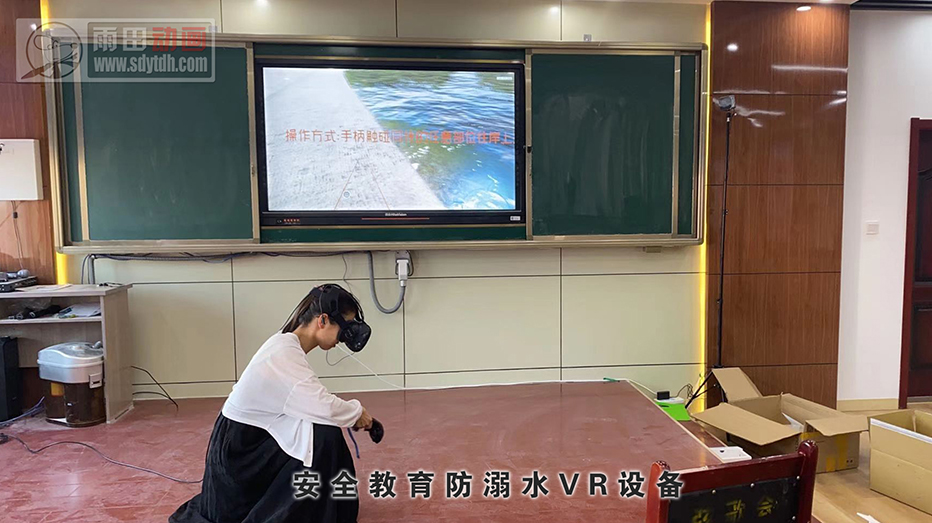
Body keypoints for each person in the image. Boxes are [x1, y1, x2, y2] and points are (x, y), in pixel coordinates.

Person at [171, 284, 375, 523]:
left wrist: (352, 413)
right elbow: (325, 407)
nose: (345, 337)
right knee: (323, 436)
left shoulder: (285, 344)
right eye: (345, 327)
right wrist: (358, 413)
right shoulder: (284, 354)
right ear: (322, 320)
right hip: (239, 456)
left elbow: (311, 402)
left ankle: (324, 509)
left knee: (321, 432)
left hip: (245, 442)